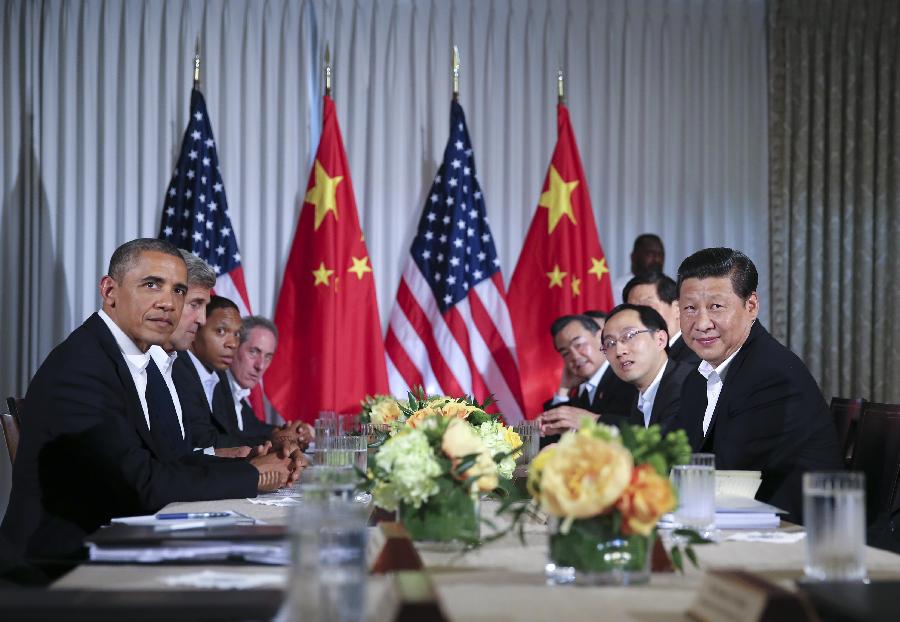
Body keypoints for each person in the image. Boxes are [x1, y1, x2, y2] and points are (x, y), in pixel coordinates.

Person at [1, 239, 304, 560]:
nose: (169, 303)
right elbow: (142, 485)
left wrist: (251, 463)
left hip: (120, 537)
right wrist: (254, 475)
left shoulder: (134, 360)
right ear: (109, 291)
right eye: (151, 285)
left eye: (178, 291)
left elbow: (169, 460)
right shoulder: (83, 366)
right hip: (61, 562)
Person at [674, 247, 842, 523]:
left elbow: (729, 474)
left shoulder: (771, 374)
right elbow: (680, 460)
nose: (702, 323)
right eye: (690, 309)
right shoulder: (696, 379)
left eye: (716, 306)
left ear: (751, 306)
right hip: (729, 521)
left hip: (793, 534)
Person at [180, 296, 304, 449]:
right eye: (221, 331)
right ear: (194, 329)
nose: (232, 343)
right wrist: (273, 442)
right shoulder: (179, 371)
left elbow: (244, 430)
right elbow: (204, 441)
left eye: (236, 334)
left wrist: (286, 433)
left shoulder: (215, 375)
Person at [539, 314, 637, 438]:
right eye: (565, 353)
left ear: (600, 337)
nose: (574, 356)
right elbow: (556, 436)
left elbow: (636, 428)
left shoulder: (625, 376)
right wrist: (564, 389)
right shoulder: (584, 391)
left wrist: (594, 421)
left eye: (579, 344)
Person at [600, 304, 694, 434]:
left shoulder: (688, 385)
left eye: (629, 336)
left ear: (660, 339)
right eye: (609, 343)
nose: (619, 351)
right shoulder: (641, 397)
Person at [229, 316, 313, 447]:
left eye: (268, 357)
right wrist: (279, 439)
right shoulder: (214, 387)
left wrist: (294, 432)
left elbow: (254, 429)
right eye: (253, 352)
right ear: (234, 346)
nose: (260, 365)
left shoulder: (238, 395)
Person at [622, 272, 700, 366]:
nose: (638, 318)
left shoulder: (697, 356)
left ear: (678, 308)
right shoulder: (630, 357)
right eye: (632, 311)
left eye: (647, 308)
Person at [612, 234, 665, 304]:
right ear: (633, 257)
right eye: (650, 254)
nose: (657, 259)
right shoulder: (619, 288)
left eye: (660, 255)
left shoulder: (668, 288)